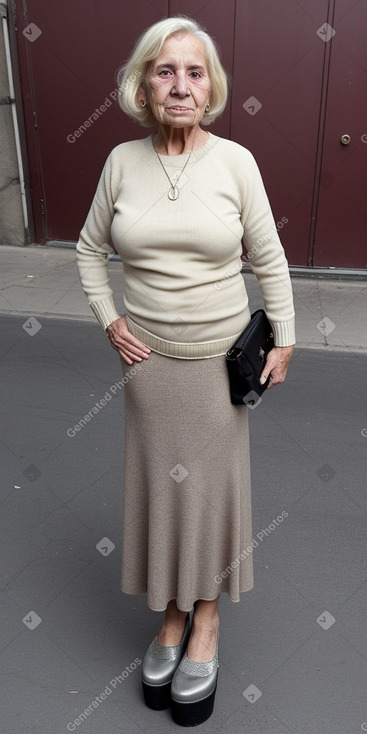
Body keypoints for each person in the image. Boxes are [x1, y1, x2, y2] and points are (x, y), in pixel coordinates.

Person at [76, 15, 295, 727]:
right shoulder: (119, 162)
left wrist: (285, 338)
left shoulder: (235, 162)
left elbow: (268, 257)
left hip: (218, 366)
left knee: (212, 496)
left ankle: (205, 621)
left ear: (211, 86)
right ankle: (169, 618)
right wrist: (109, 318)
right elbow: (86, 249)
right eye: (165, 71)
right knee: (164, 497)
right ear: (143, 84)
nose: (180, 84)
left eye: (193, 72)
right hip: (150, 370)